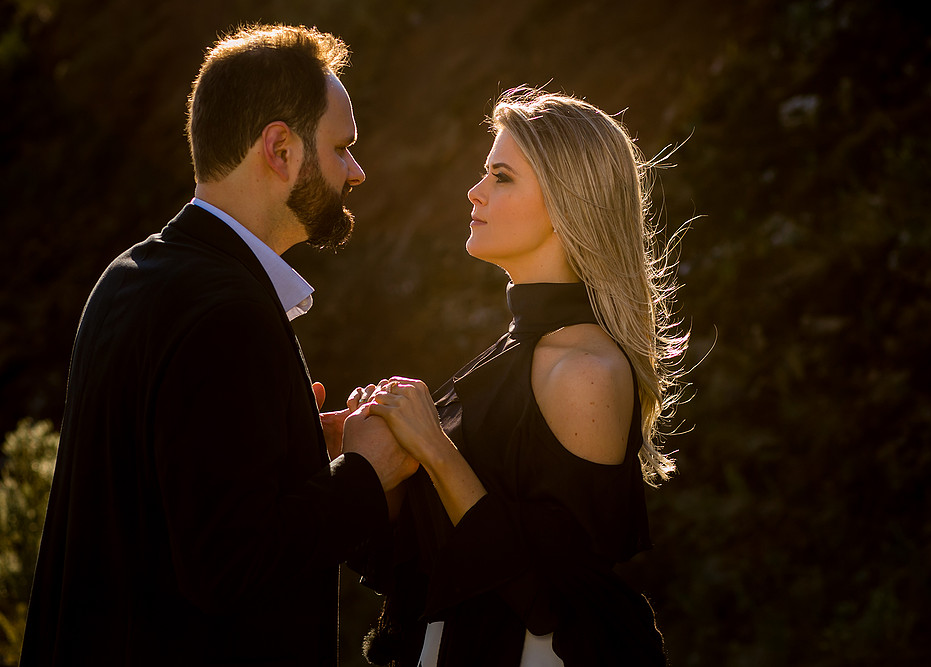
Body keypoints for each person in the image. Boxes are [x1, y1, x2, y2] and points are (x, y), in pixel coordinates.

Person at [19, 24, 416, 666]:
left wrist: (295, 454)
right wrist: (366, 473)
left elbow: (168, 503)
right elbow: (230, 565)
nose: (357, 171)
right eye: (342, 148)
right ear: (280, 149)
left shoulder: (128, 278)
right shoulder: (227, 313)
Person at [348, 88, 686, 666]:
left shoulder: (585, 369)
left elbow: (549, 597)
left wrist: (434, 448)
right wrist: (372, 450)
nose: (475, 191)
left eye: (501, 176)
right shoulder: (514, 351)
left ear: (567, 202)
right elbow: (441, 550)